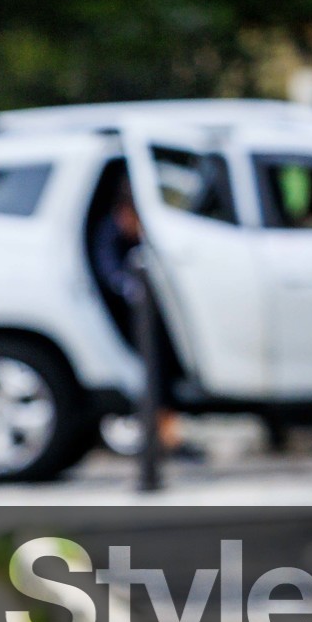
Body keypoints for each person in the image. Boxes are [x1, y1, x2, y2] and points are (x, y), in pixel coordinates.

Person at [88, 172, 200, 461]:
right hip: (125, 322)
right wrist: (135, 287)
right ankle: (164, 439)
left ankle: (166, 435)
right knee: (155, 371)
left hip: (145, 321)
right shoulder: (108, 236)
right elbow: (112, 275)